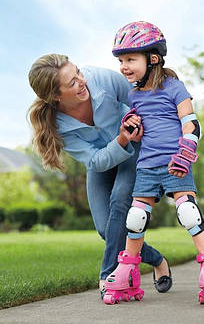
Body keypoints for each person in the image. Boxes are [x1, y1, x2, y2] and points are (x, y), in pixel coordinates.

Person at [27, 53, 173, 299]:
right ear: (55, 96)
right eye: (71, 82)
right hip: (104, 161)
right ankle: (158, 260)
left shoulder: (102, 80)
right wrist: (120, 139)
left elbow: (141, 102)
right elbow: (95, 160)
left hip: (134, 148)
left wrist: (141, 131)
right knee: (108, 231)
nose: (81, 81)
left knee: (119, 201)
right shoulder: (57, 125)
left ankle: (109, 275)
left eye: (78, 73)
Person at [103, 21, 204, 305]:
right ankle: (128, 271)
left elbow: (192, 124)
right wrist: (130, 123)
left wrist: (186, 151)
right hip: (146, 166)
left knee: (188, 212)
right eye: (121, 60)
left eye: (130, 59)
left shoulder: (174, 88)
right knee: (135, 220)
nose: (124, 66)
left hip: (176, 163)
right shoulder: (133, 95)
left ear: (153, 58)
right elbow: (135, 129)